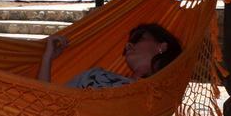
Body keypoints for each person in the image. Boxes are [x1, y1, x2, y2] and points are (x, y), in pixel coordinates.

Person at [38, 23, 182, 88]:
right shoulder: (106, 76)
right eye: (129, 42)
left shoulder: (157, 91)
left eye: (138, 39)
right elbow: (48, 102)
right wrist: (47, 58)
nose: (128, 45)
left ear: (161, 47)